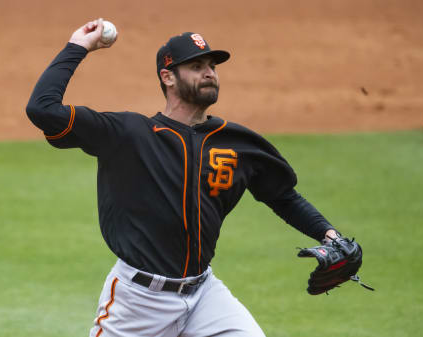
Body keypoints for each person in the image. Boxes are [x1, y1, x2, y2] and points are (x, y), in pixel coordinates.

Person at [26, 18, 341, 337]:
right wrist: (77, 47)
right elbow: (42, 109)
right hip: (138, 302)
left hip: (204, 296)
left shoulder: (236, 142)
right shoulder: (128, 135)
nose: (209, 72)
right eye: (196, 66)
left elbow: (283, 196)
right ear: (168, 77)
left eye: (212, 66)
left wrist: (330, 236)